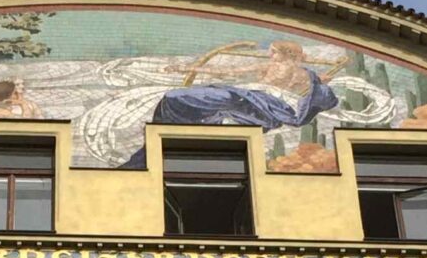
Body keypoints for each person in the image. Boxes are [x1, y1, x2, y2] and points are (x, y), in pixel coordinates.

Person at [121, 41, 339, 168]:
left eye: (273, 51)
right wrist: (189, 70)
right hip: (245, 96)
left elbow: (316, 91)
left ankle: (181, 106)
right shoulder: (268, 67)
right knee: (182, 96)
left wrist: (322, 81)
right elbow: (228, 72)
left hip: (260, 102)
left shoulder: (305, 74)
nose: (269, 54)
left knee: (204, 97)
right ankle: (176, 112)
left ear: (284, 53)